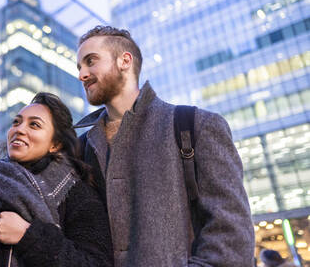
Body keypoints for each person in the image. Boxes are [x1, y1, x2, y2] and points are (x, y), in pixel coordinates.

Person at [74, 25, 255, 266]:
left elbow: (231, 236)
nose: (82, 74)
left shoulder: (196, 126)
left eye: (91, 61)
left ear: (124, 61)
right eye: (79, 67)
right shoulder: (79, 149)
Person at [0, 92, 114, 267]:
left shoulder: (77, 195)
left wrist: (27, 235)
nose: (19, 129)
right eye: (16, 122)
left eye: (34, 125)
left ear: (56, 144)